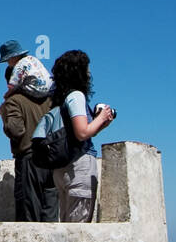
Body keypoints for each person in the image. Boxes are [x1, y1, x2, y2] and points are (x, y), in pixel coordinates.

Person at [32, 49, 115, 223]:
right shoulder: (76, 96)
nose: (89, 73)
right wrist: (100, 117)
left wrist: (101, 124)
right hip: (79, 167)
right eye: (86, 68)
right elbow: (82, 132)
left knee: (67, 226)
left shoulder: (59, 100)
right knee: (79, 228)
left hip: (63, 169)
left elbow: (76, 134)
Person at [0, 64, 58, 222]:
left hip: (30, 159)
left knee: (29, 214)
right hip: (52, 160)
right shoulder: (48, 100)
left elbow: (16, 131)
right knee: (50, 213)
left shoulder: (14, 101)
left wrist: (4, 112)